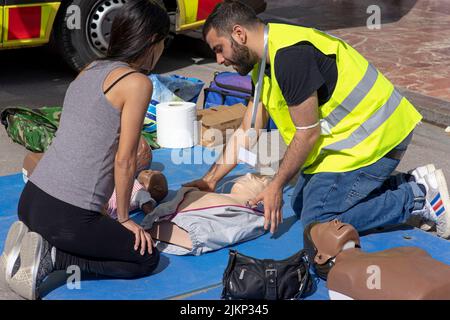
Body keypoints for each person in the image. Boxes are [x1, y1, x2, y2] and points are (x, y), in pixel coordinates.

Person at [184, 0, 450, 239]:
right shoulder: (264, 61)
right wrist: (211, 178)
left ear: (239, 34)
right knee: (300, 204)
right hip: (348, 144)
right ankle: (406, 182)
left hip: (378, 139)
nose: (218, 59)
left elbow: (307, 134)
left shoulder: (289, 58)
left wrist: (276, 184)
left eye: (219, 49)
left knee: (318, 222)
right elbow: (248, 128)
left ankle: (419, 197)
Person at [0, 0, 170, 300]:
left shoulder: (90, 68)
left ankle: (35, 239)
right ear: (150, 42)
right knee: (145, 258)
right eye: (163, 42)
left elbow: (76, 130)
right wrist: (124, 220)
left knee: (95, 232)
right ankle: (53, 257)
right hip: (65, 218)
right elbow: (125, 158)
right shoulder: (137, 83)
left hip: (30, 201)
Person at [141, 173, 270, 255]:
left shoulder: (246, 217)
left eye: (256, 179)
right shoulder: (212, 194)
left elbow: (221, 233)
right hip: (161, 220)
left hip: (175, 229)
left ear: (262, 200)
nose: (247, 174)